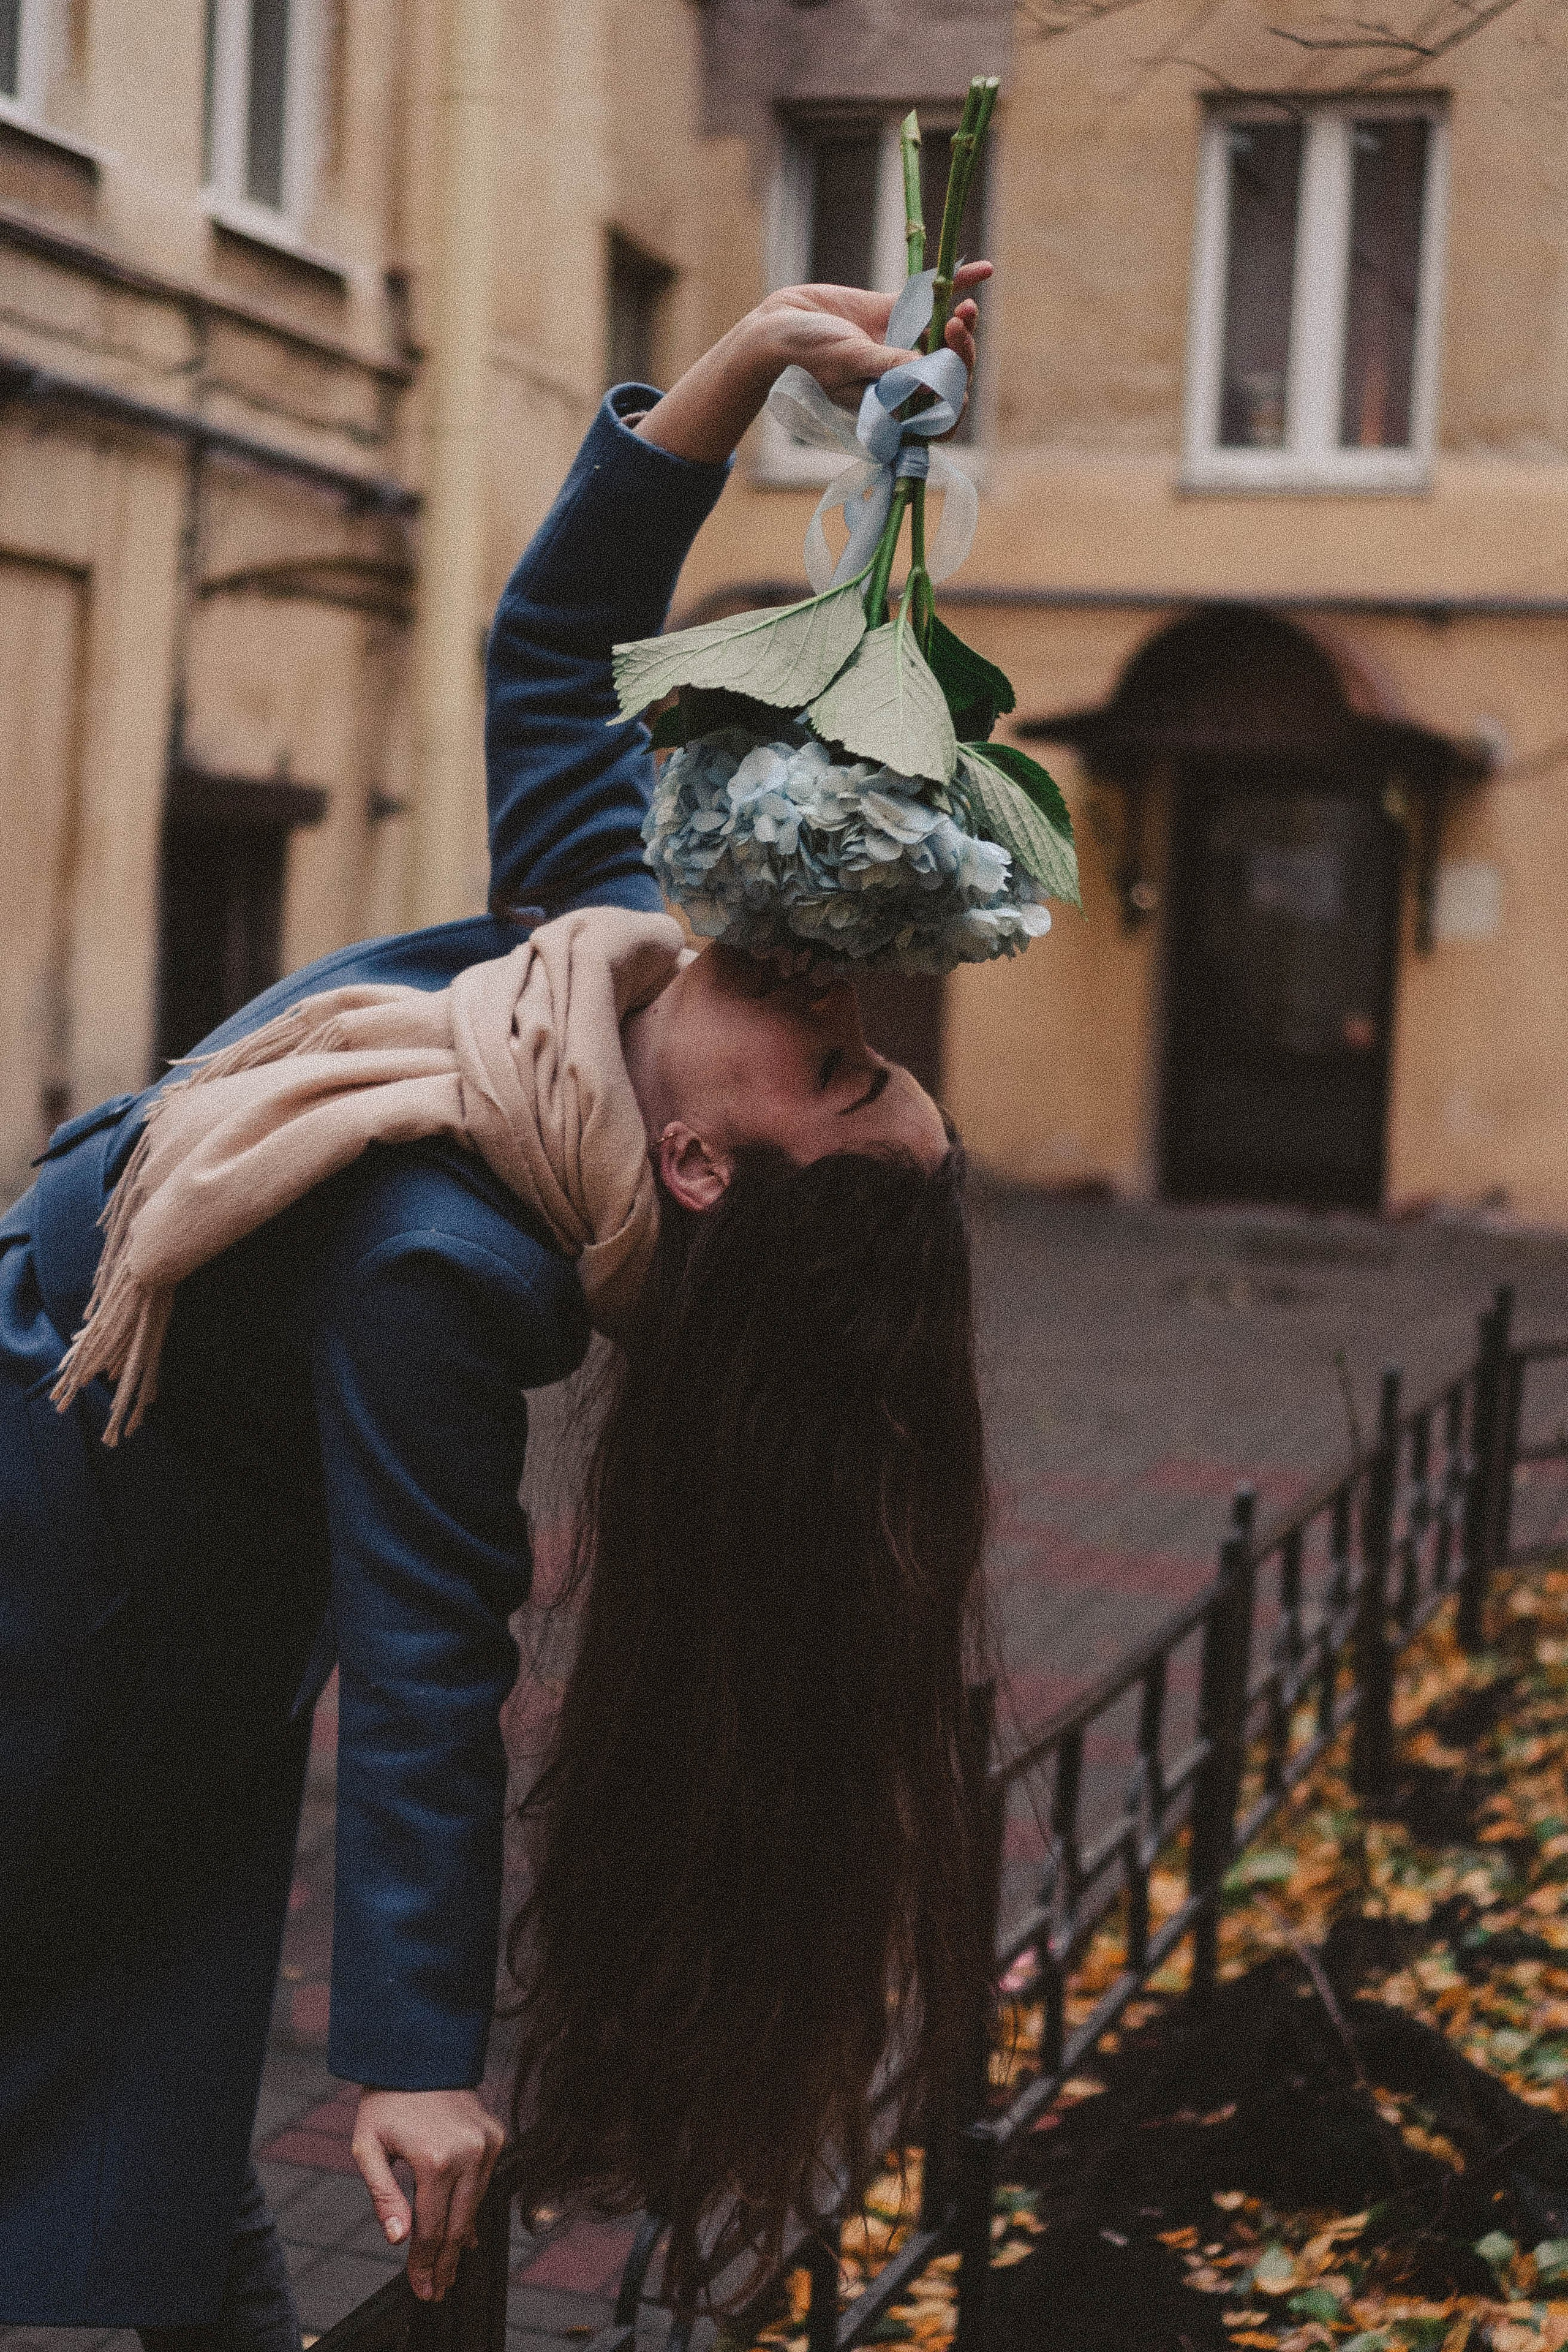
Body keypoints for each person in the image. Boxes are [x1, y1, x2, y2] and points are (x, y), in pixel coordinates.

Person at [0, 265, 991, 2340]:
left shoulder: (449, 1264)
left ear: (703, 1167)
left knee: (124, 2115)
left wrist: (415, 2059)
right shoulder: (611, 946)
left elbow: (435, 1662)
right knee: (138, 2148)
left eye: (840, 1079)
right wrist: (735, 376)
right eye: (880, 1051)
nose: (845, 1014)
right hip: (113, 1528)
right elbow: (551, 645)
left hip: (74, 1632)